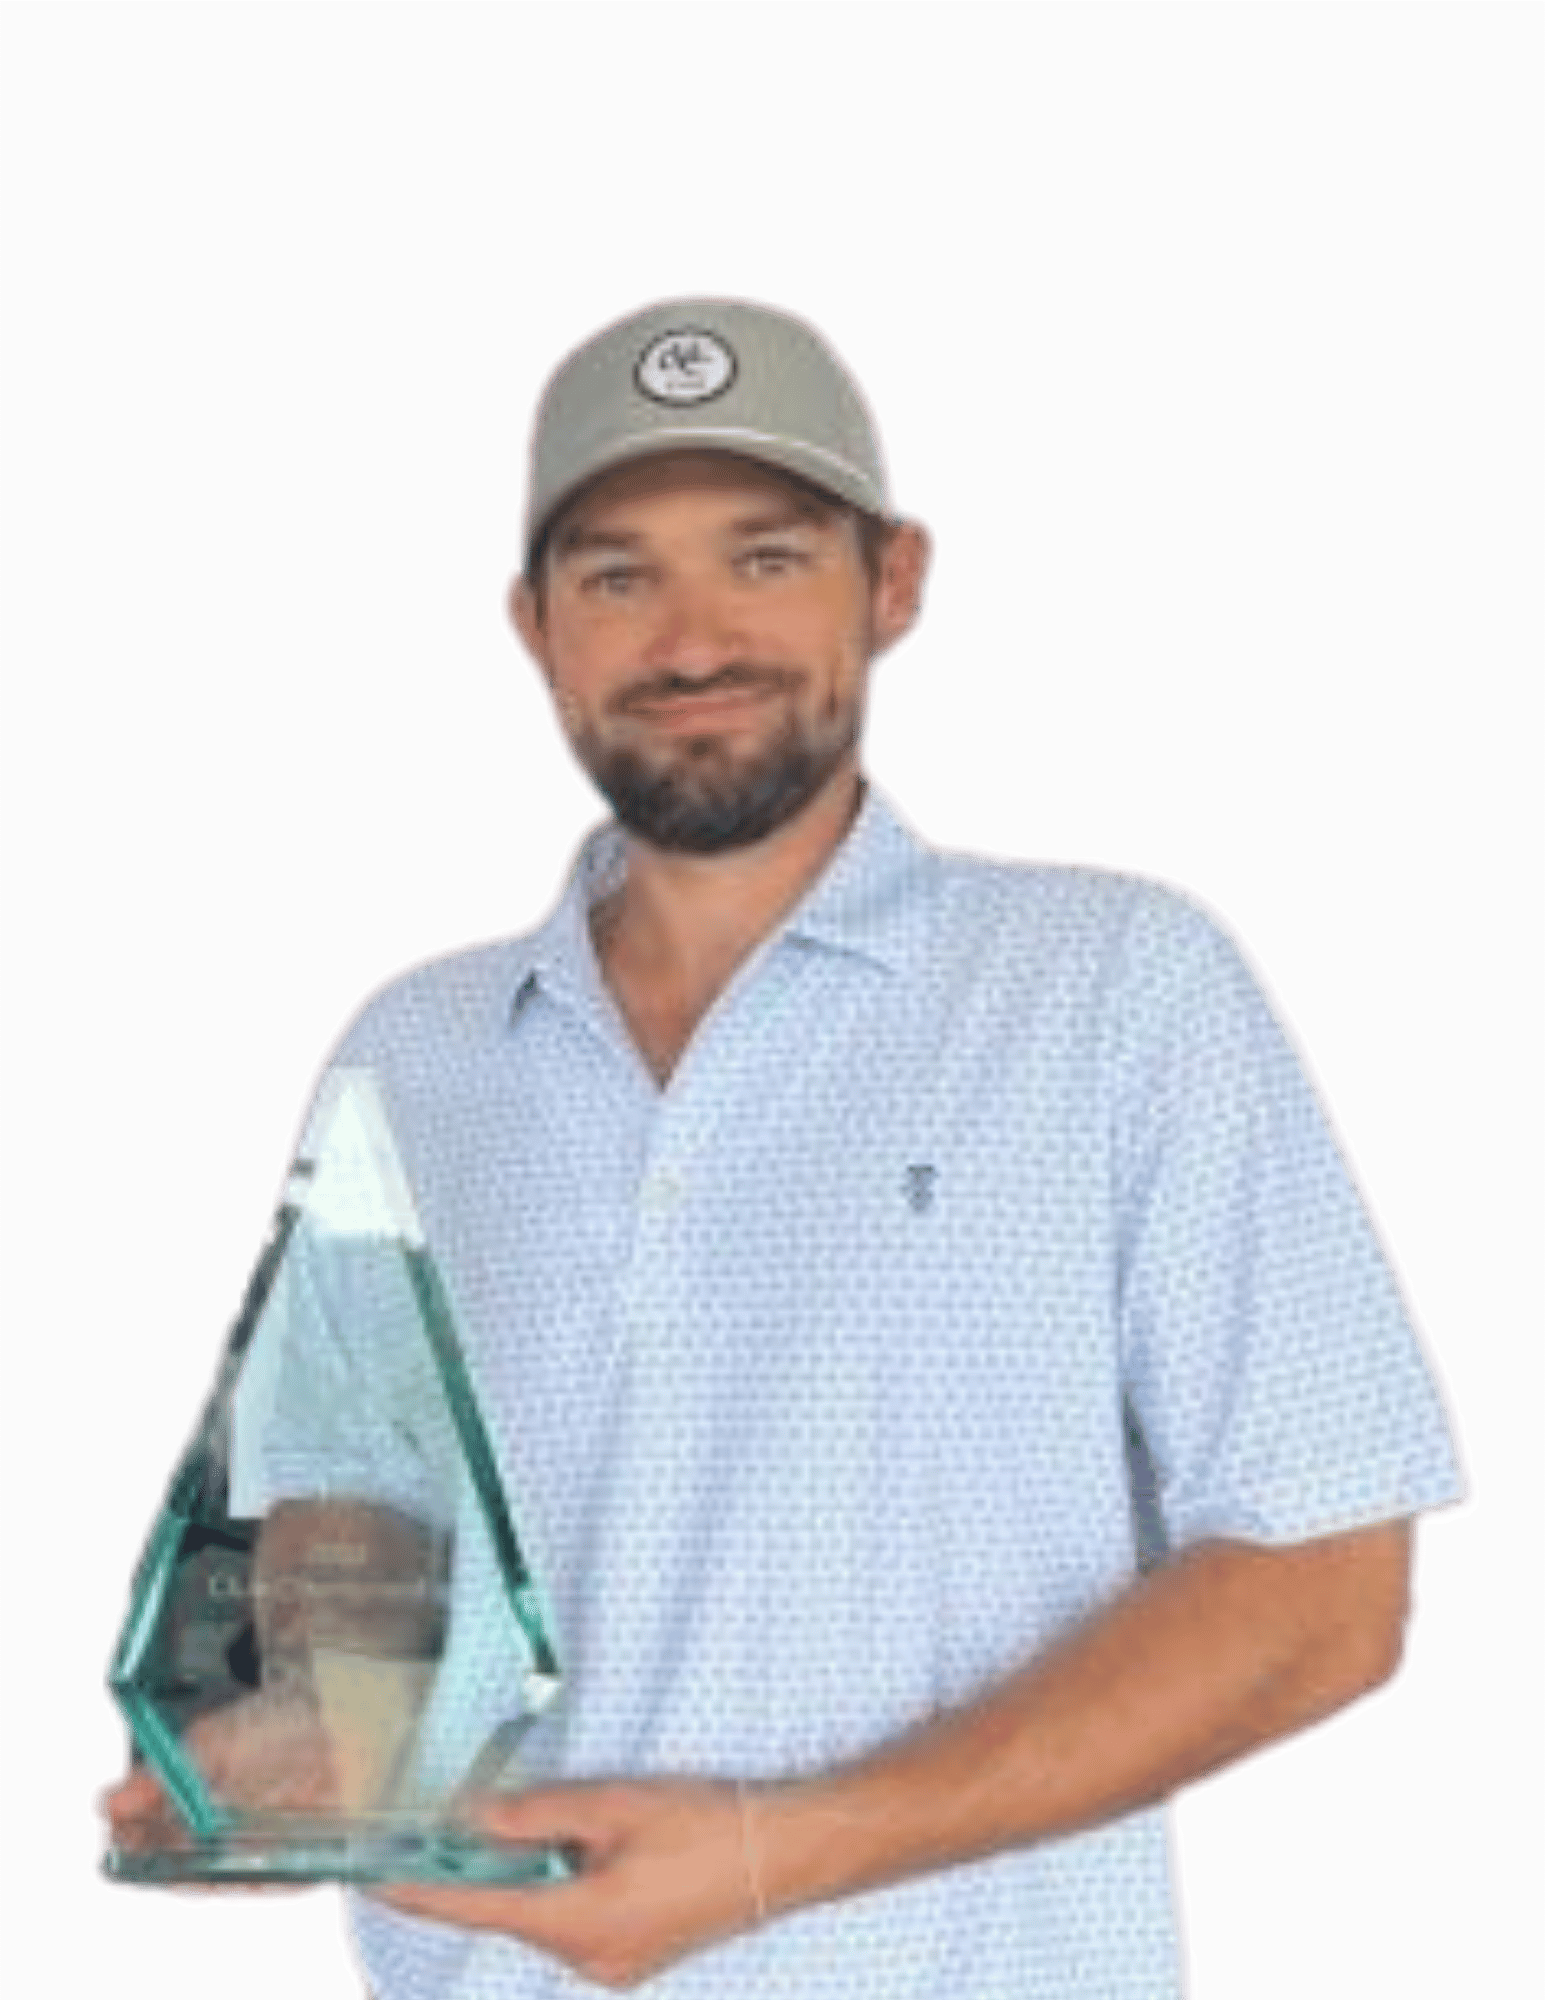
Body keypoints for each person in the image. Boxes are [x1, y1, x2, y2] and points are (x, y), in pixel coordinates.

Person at [92, 291, 1477, 1999]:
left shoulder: (1122, 984)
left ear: (898, 584)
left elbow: (1329, 1593)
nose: (693, 641)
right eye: (619, 576)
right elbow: (349, 1534)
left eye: (765, 558)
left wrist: (770, 1855)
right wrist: (309, 1745)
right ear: (529, 626)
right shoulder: (411, 1046)